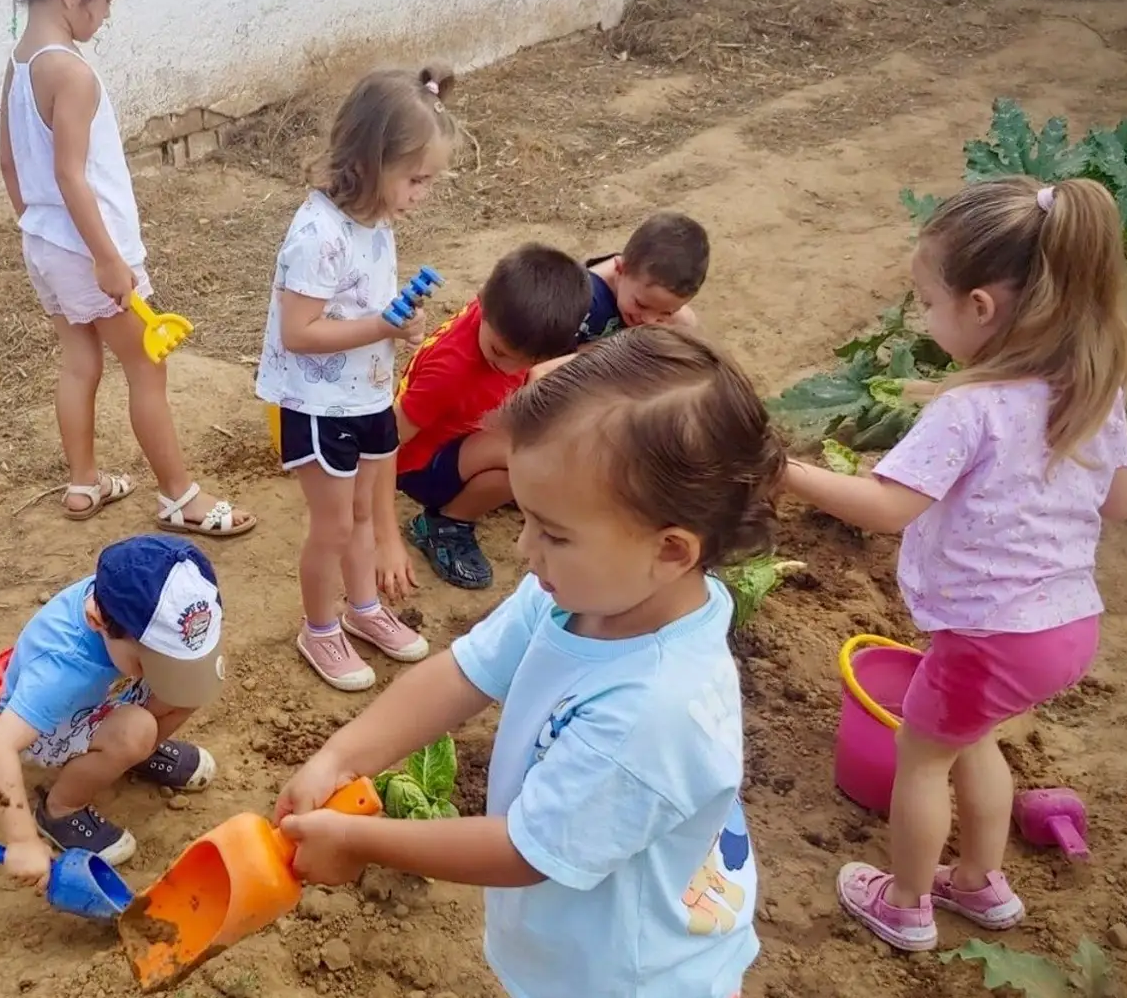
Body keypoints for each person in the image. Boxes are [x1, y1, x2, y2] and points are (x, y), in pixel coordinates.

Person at [276, 327, 775, 998]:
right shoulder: (586, 590)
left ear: (672, 551)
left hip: (628, 978)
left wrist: (361, 839)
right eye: (527, 516)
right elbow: (464, 671)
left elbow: (524, 850)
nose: (523, 547)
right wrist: (342, 756)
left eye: (555, 532)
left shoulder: (653, 711)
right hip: (576, 945)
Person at [782, 177, 1127, 952]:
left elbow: (885, 508)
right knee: (976, 740)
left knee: (921, 761)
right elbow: (1122, 502)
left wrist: (785, 471)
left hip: (986, 636)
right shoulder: (1092, 387)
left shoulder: (968, 410)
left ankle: (906, 901)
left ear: (979, 308)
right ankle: (981, 882)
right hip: (1065, 626)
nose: (923, 315)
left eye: (927, 300)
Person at [0, 0, 254, 537]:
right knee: (146, 367)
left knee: (79, 359)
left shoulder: (19, 62)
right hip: (93, 253)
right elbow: (70, 175)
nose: (107, 15)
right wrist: (107, 259)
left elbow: (10, 163)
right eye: (107, 1)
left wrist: (37, 229)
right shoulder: (73, 76)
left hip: (46, 247)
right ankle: (180, 496)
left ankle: (84, 482)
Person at [254, 66, 456, 691]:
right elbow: (301, 331)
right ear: (371, 161)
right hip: (316, 403)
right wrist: (380, 328)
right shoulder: (316, 235)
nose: (422, 192)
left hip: (365, 393)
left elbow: (369, 305)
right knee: (335, 525)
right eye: (415, 178)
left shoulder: (377, 222)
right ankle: (319, 628)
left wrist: (406, 323)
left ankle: (365, 610)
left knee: (367, 512)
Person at [0, 535, 227, 875]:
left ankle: (132, 753)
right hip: (55, 723)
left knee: (190, 686)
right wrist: (20, 841)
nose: (159, 673)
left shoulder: (127, 600)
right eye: (151, 662)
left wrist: (163, 674)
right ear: (97, 621)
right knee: (136, 730)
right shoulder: (61, 669)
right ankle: (61, 807)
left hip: (104, 697)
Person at [378, 243, 591, 593]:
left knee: (542, 441)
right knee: (525, 457)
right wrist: (379, 528)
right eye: (499, 353)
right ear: (483, 302)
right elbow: (389, 441)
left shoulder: (504, 313)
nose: (506, 368)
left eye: (523, 361)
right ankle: (443, 525)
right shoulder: (450, 371)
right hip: (418, 465)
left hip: (465, 434)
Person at [580, 211, 711, 339]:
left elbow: (688, 322)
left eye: (666, 312)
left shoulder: (639, 283)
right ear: (620, 269)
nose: (649, 321)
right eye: (641, 305)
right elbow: (561, 359)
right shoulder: (582, 302)